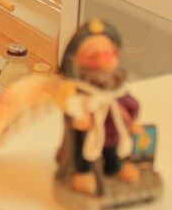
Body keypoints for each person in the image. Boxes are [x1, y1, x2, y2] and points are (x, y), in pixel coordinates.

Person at [56, 18, 142, 195]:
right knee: (83, 149)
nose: (102, 60)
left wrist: (131, 121)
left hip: (111, 130)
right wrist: (80, 116)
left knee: (112, 149)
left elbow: (125, 103)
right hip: (87, 130)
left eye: (107, 53)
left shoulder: (115, 88)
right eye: (91, 56)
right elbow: (71, 104)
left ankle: (114, 166)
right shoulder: (79, 89)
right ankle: (82, 171)